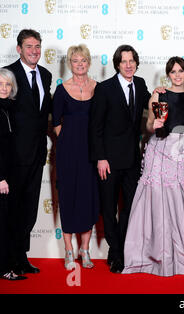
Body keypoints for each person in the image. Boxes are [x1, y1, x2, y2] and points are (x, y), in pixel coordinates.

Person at [122, 57, 184, 277]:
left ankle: (180, 254)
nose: (177, 75)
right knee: (156, 199)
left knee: (178, 199)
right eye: (173, 71)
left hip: (178, 150)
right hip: (158, 149)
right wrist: (155, 124)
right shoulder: (159, 94)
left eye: (181, 71)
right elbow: (150, 124)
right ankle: (152, 253)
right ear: (168, 74)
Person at [89, 45, 151, 273]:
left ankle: (122, 249)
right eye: (124, 61)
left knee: (131, 207)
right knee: (108, 208)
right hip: (109, 161)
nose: (128, 65)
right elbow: (95, 127)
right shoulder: (105, 88)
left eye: (132, 60)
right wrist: (101, 158)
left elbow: (152, 104)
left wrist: (167, 92)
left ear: (136, 62)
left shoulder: (141, 84)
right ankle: (115, 253)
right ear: (117, 64)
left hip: (133, 159)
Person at [5, 29, 52, 276]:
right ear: (19, 49)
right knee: (12, 208)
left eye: (37, 46)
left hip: (37, 155)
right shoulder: (7, 74)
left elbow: (43, 113)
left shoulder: (45, 74)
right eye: (29, 46)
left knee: (29, 209)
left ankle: (21, 257)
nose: (34, 51)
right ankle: (8, 260)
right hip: (14, 156)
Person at [52, 44, 99, 270]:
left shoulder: (98, 88)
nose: (80, 64)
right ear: (70, 64)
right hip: (68, 154)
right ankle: (69, 250)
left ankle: (85, 249)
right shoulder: (62, 90)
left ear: (88, 63)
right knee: (69, 199)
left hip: (91, 154)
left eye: (83, 60)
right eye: (75, 61)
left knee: (89, 199)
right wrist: (71, 140)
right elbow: (56, 124)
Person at [0, 68, 26, 280]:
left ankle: (8, 265)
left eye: (8, 84)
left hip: (11, 174)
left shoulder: (8, 109)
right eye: (0, 83)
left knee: (8, 221)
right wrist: (0, 178)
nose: (4, 88)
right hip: (1, 177)